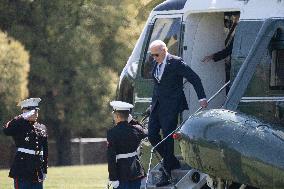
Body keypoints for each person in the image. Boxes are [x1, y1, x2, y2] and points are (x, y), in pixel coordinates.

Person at [148, 40, 208, 187]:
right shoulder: (155, 63)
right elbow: (157, 86)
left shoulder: (176, 63)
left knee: (168, 138)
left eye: (156, 54)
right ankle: (172, 161)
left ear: (164, 50)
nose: (154, 57)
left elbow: (194, 78)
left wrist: (202, 98)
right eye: (152, 55)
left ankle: (167, 173)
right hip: (157, 106)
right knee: (152, 135)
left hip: (172, 106)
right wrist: (152, 103)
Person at [3, 98, 48, 189]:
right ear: (24, 111)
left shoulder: (42, 127)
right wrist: (22, 117)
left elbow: (45, 150)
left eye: (36, 111)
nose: (35, 113)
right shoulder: (19, 125)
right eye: (32, 111)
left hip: (37, 171)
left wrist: (45, 170)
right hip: (22, 170)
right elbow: (6, 130)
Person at [107, 101, 147, 189]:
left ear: (117, 116)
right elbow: (144, 130)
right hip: (135, 171)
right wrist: (132, 121)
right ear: (128, 116)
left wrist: (113, 178)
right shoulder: (137, 130)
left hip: (121, 173)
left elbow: (111, 157)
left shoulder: (112, 133)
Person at [202, 12, 240, 93]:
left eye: (235, 17)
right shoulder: (234, 29)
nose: (234, 19)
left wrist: (212, 56)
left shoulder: (240, 31)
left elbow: (229, 50)